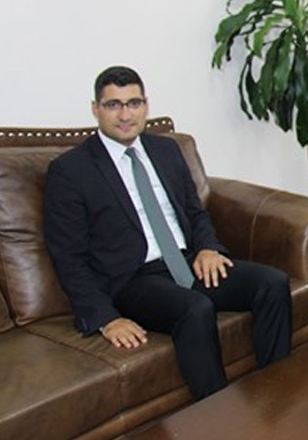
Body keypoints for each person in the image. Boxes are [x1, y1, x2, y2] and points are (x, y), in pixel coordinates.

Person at [43, 66, 292, 400]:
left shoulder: (166, 150)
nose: (125, 115)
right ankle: (219, 415)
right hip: (132, 280)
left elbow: (194, 211)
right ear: (95, 109)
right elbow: (68, 257)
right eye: (113, 105)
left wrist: (207, 248)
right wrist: (106, 318)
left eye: (133, 103)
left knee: (272, 284)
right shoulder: (70, 171)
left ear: (146, 105)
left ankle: (277, 397)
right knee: (196, 309)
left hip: (185, 262)